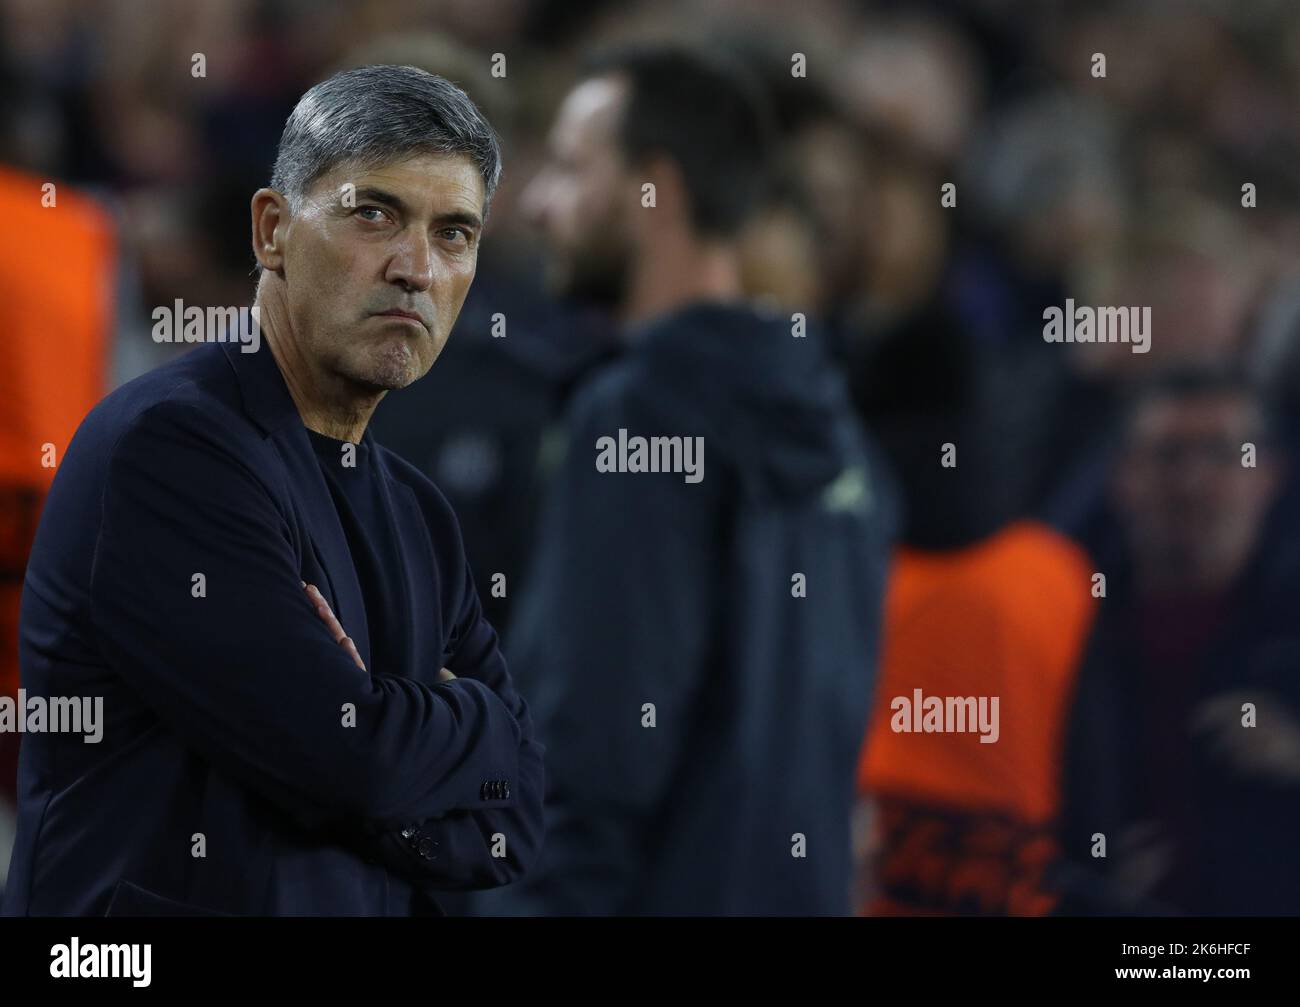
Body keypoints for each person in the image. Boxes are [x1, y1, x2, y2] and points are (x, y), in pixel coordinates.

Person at [2, 65, 543, 916]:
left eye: (454, 234)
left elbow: (513, 818)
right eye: (375, 213)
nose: (414, 267)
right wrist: (452, 729)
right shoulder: (170, 450)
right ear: (271, 230)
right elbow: (346, 759)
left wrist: (383, 738)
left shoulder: (416, 512)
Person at [480, 45, 896, 915]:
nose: (541, 204)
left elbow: (595, 744)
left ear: (652, 189)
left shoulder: (636, 413)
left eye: (570, 166)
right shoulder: (846, 437)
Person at [1058, 369, 1300, 914]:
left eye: (1221, 453)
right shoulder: (1062, 632)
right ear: (1122, 478)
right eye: (1168, 454)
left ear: (1268, 476)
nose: (1192, 483)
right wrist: (1086, 880)